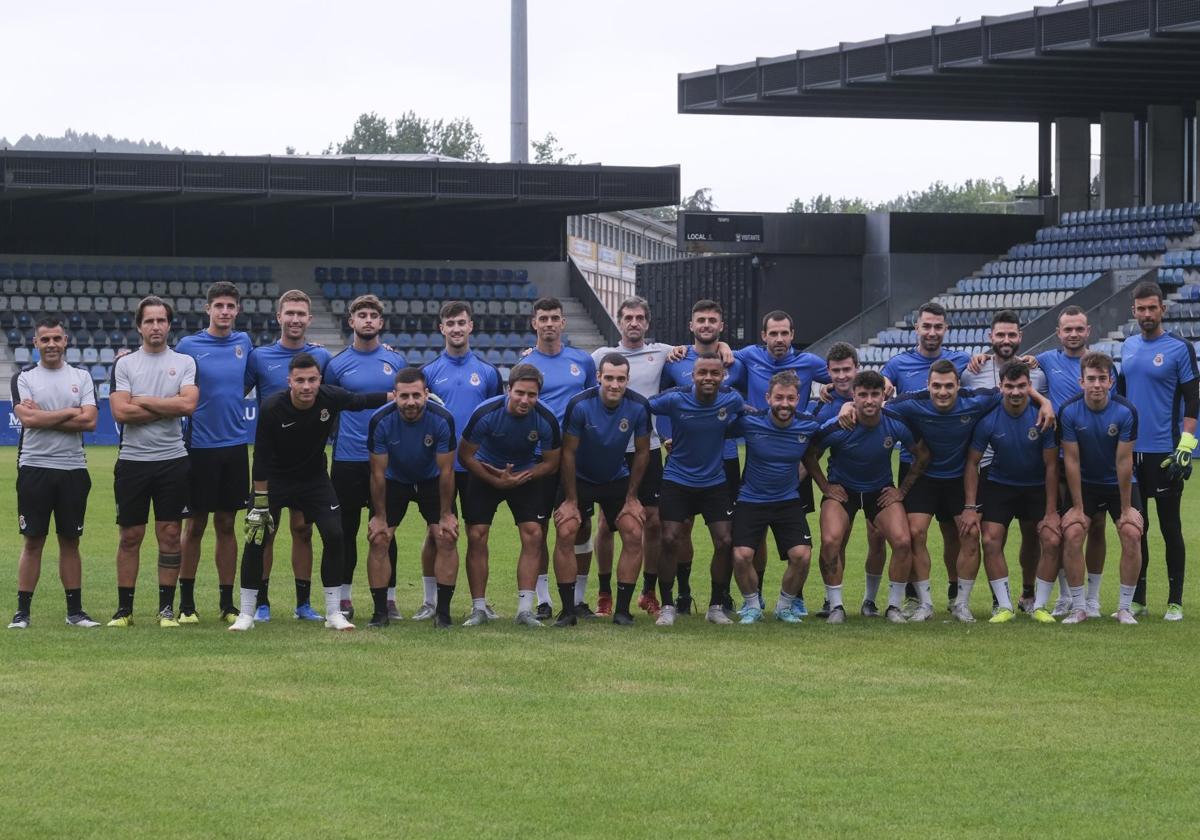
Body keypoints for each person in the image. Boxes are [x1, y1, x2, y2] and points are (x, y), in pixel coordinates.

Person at [846, 360, 1052, 620]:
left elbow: (1010, 390)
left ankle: (961, 604)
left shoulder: (976, 400)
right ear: (927, 386)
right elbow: (873, 405)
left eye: (948, 386)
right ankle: (926, 604)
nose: (942, 392)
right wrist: (847, 405)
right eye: (936, 386)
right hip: (924, 477)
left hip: (959, 478)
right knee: (914, 533)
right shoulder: (911, 402)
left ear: (959, 386)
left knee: (969, 533)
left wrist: (1044, 402)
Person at [228, 352, 389, 631]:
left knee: (335, 535)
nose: (306, 386)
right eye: (300, 380)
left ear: (320, 380)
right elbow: (262, 457)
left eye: (312, 380)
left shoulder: (331, 397)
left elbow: (362, 401)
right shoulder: (271, 407)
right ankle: (246, 614)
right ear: (289, 381)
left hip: (313, 480)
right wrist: (261, 503)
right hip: (275, 480)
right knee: (256, 538)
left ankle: (333, 613)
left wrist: (398, 396)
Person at [804, 370, 928, 624]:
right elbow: (809, 454)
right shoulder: (838, 426)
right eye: (863, 395)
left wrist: (901, 491)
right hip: (843, 490)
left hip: (879, 491)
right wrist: (826, 487)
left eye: (874, 394)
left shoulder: (896, 422)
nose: (869, 401)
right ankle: (836, 606)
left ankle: (893, 606)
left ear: (883, 395)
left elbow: (922, 455)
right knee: (830, 541)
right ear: (853, 396)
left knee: (903, 542)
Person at [107, 296, 199, 628]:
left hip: (173, 461)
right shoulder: (125, 364)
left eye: (161, 320)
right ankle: (124, 610)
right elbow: (120, 411)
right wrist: (167, 403)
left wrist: (142, 401)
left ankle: (165, 609)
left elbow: (188, 405)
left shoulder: (185, 362)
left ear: (169, 325)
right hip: (133, 461)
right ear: (139, 325)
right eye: (149, 321)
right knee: (130, 535)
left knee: (171, 534)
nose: (156, 326)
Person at [243, 289, 333, 622]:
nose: (295, 319)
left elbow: (337, 396)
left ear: (309, 319)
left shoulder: (322, 358)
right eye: (289, 313)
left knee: (303, 530)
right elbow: (232, 391)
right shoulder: (258, 357)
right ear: (278, 317)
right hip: (272, 462)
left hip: (308, 461)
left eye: (301, 314)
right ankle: (262, 603)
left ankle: (303, 604)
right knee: (265, 530)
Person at [8, 318, 100, 629]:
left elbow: (90, 422)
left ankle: (75, 612)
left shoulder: (82, 376)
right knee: (33, 541)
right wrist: (70, 412)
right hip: (34, 467)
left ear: (65, 341)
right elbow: (28, 420)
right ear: (35, 343)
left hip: (73, 468)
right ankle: (22, 613)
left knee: (70, 541)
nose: (51, 344)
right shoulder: (23, 378)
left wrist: (43, 415)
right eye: (44, 339)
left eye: (56, 339)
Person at [585, 297, 672, 617]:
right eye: (628, 317)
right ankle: (605, 594)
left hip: (646, 450)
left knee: (654, 522)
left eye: (639, 318)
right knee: (608, 523)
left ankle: (648, 592)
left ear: (647, 323)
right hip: (610, 452)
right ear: (619, 322)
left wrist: (724, 349)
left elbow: (700, 355)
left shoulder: (662, 353)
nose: (634, 323)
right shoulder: (599, 357)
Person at [881, 301, 971, 609]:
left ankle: (955, 590)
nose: (932, 332)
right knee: (914, 531)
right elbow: (877, 392)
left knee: (954, 533)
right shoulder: (896, 365)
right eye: (926, 326)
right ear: (917, 328)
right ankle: (916, 594)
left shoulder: (963, 361)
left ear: (946, 329)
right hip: (913, 468)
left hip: (955, 466)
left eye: (938, 326)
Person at [659, 299, 746, 615]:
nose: (706, 325)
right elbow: (661, 403)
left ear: (721, 326)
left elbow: (744, 407)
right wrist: (665, 435)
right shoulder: (674, 359)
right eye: (701, 320)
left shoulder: (737, 360)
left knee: (727, 535)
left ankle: (721, 599)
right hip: (682, 460)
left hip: (724, 461)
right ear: (691, 325)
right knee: (678, 532)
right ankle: (681, 594)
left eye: (713, 320)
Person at [459, 363, 562, 627]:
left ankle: (525, 610)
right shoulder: (485, 413)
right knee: (476, 534)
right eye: (519, 393)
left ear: (539, 395)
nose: (525, 400)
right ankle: (479, 608)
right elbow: (465, 455)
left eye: (531, 395)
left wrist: (519, 478)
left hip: (525, 474)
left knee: (534, 534)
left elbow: (551, 462)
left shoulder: (547, 419)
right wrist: (496, 479)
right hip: (485, 471)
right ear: (508, 389)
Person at [324, 294, 407, 620]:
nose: (368, 320)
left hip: (386, 460)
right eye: (362, 315)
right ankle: (344, 598)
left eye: (373, 315)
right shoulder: (337, 364)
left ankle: (389, 598)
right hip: (347, 458)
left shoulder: (396, 362)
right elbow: (328, 408)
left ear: (381, 322)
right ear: (351, 322)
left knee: (386, 530)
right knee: (345, 530)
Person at [1118, 280, 1198, 621]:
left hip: (1164, 452)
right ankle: (1138, 599)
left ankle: (1175, 601)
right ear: (1133, 312)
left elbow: (1193, 401)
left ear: (1163, 309)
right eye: (1141, 309)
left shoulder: (1180, 348)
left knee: (1170, 528)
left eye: (1153, 308)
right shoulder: (1128, 346)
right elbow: (1121, 397)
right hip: (1131, 454)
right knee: (1138, 528)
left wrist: (1186, 445)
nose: (1147, 314)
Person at [175, 281, 253, 624]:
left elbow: (249, 380)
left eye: (230, 306)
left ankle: (226, 603)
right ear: (207, 309)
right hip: (199, 447)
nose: (224, 311)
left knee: (227, 523)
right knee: (194, 525)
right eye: (218, 305)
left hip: (235, 447)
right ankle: (187, 603)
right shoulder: (189, 345)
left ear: (237, 310)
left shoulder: (244, 342)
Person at [418, 301, 502, 621]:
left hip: (475, 468)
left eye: (461, 323)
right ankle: (430, 602)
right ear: (441, 329)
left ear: (471, 326)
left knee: (477, 535)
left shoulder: (488, 373)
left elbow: (495, 421)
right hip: (439, 469)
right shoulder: (428, 373)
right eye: (450, 323)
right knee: (436, 533)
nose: (456, 328)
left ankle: (479, 605)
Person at [958, 362, 1059, 623]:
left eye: (1022, 386)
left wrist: (1051, 512)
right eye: (1010, 386)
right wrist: (970, 507)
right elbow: (972, 462)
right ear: (1000, 387)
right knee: (990, 540)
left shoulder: (1043, 416)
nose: (1015, 391)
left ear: (1030, 386)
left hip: (1036, 485)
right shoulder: (988, 419)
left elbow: (1051, 466)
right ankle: (1004, 606)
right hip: (999, 483)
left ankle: (1039, 604)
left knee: (1049, 539)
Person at [554, 354, 651, 626]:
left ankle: (621, 610)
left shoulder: (639, 406)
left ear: (628, 380)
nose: (615, 384)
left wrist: (632, 498)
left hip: (615, 478)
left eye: (621, 378)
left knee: (633, 531)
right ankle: (568, 611)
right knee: (566, 530)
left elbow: (643, 453)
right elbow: (568, 454)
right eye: (609, 377)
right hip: (580, 479)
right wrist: (571, 500)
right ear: (598, 377)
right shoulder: (580, 405)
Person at [364, 368, 459, 628]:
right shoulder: (380, 420)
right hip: (394, 480)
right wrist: (380, 517)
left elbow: (447, 471)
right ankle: (380, 613)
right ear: (394, 396)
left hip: (431, 480)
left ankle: (443, 613)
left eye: (416, 395)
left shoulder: (442, 419)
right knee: (379, 538)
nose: (410, 402)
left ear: (426, 394)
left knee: (446, 537)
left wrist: (446, 514)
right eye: (404, 396)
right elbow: (377, 473)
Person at [1057, 352, 1144, 625]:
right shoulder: (1069, 411)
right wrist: (1079, 508)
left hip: (1119, 485)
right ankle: (1080, 607)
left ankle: (1125, 608)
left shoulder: (1126, 411)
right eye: (1091, 379)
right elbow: (1071, 460)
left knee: (1131, 533)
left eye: (1102, 379)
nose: (1096, 384)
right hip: (1085, 484)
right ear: (1081, 381)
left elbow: (1124, 461)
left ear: (1110, 382)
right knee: (1073, 533)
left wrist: (1127, 508)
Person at [523, 297, 596, 619]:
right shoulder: (526, 365)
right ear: (534, 323)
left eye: (555, 318)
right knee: (537, 530)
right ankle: (544, 599)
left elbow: (593, 403)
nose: (549, 323)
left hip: (578, 459)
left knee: (579, 527)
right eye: (543, 318)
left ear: (563, 323)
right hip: (538, 457)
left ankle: (578, 598)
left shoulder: (582, 361)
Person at [728, 371, 821, 624]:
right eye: (779, 397)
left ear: (798, 399)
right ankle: (752, 606)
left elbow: (821, 448)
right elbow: (714, 429)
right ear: (768, 398)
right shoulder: (750, 421)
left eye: (790, 398)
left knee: (802, 555)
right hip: (751, 499)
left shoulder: (809, 424)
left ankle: (785, 606)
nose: (784, 404)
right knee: (741, 556)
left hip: (787, 500)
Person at [1035, 306, 1108, 617]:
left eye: (1079, 329)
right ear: (1058, 332)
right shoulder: (1046, 360)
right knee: (1065, 529)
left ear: (1088, 330)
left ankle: (1092, 598)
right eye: (1068, 329)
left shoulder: (1103, 366)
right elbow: (1017, 375)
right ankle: (1067, 596)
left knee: (1098, 528)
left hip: (1096, 461)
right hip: (1061, 458)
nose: (1074, 334)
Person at [812, 342, 887, 617]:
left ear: (857, 368)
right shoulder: (825, 403)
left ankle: (870, 601)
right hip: (842, 483)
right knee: (836, 540)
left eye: (847, 369)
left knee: (877, 538)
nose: (842, 376)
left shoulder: (880, 389)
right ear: (828, 373)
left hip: (877, 481)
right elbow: (811, 446)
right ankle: (831, 601)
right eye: (836, 371)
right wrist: (823, 486)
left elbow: (886, 395)